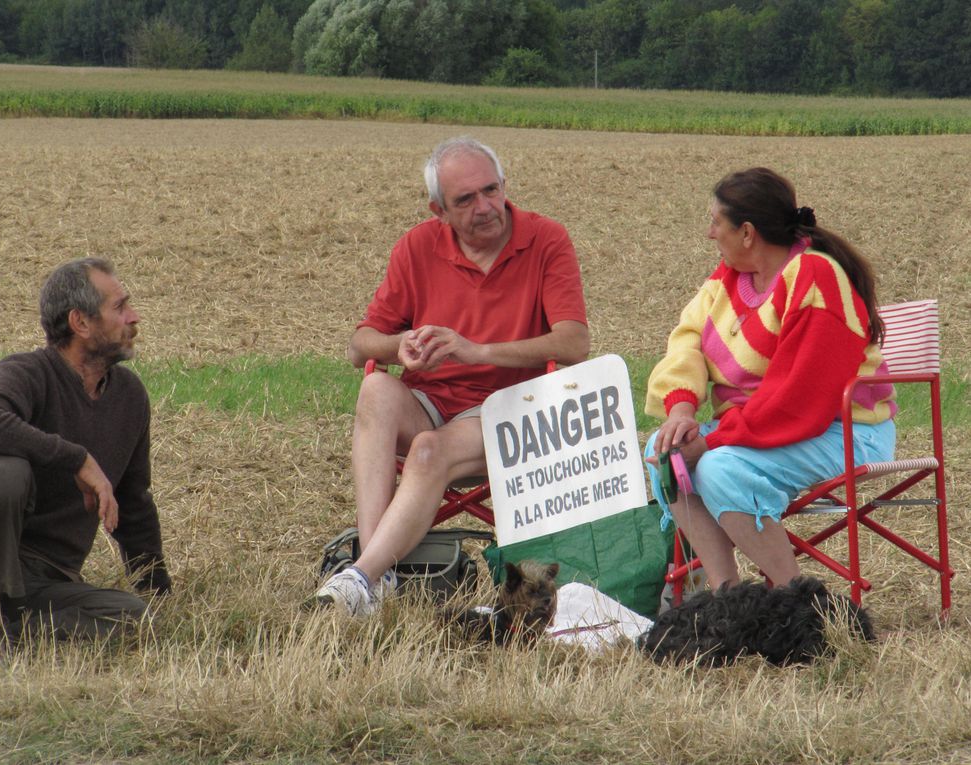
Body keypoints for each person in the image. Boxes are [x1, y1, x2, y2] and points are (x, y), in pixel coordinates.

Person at [314, 136, 589, 617]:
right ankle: (379, 578)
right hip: (432, 405)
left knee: (426, 451)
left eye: (491, 190)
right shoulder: (417, 246)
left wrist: (475, 349)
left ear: (505, 185)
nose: (485, 207)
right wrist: (397, 345)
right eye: (466, 200)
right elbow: (361, 346)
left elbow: (574, 342)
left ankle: (362, 576)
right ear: (438, 209)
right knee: (376, 387)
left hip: (513, 412)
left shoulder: (546, 239)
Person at [644, 167, 896, 590]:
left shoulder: (815, 276)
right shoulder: (726, 281)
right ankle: (728, 598)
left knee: (719, 469)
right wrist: (682, 412)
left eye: (715, 222)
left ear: (746, 232)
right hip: (761, 425)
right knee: (662, 449)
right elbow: (686, 342)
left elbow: (799, 398)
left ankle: (791, 600)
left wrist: (710, 443)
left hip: (845, 429)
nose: (709, 233)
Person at [0, 258, 172, 663]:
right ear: (81, 323)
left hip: (41, 583)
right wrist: (77, 459)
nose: (134, 317)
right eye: (120, 307)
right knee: (5, 470)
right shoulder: (27, 372)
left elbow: (134, 502)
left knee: (134, 618)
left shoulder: (129, 397)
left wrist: (157, 589)